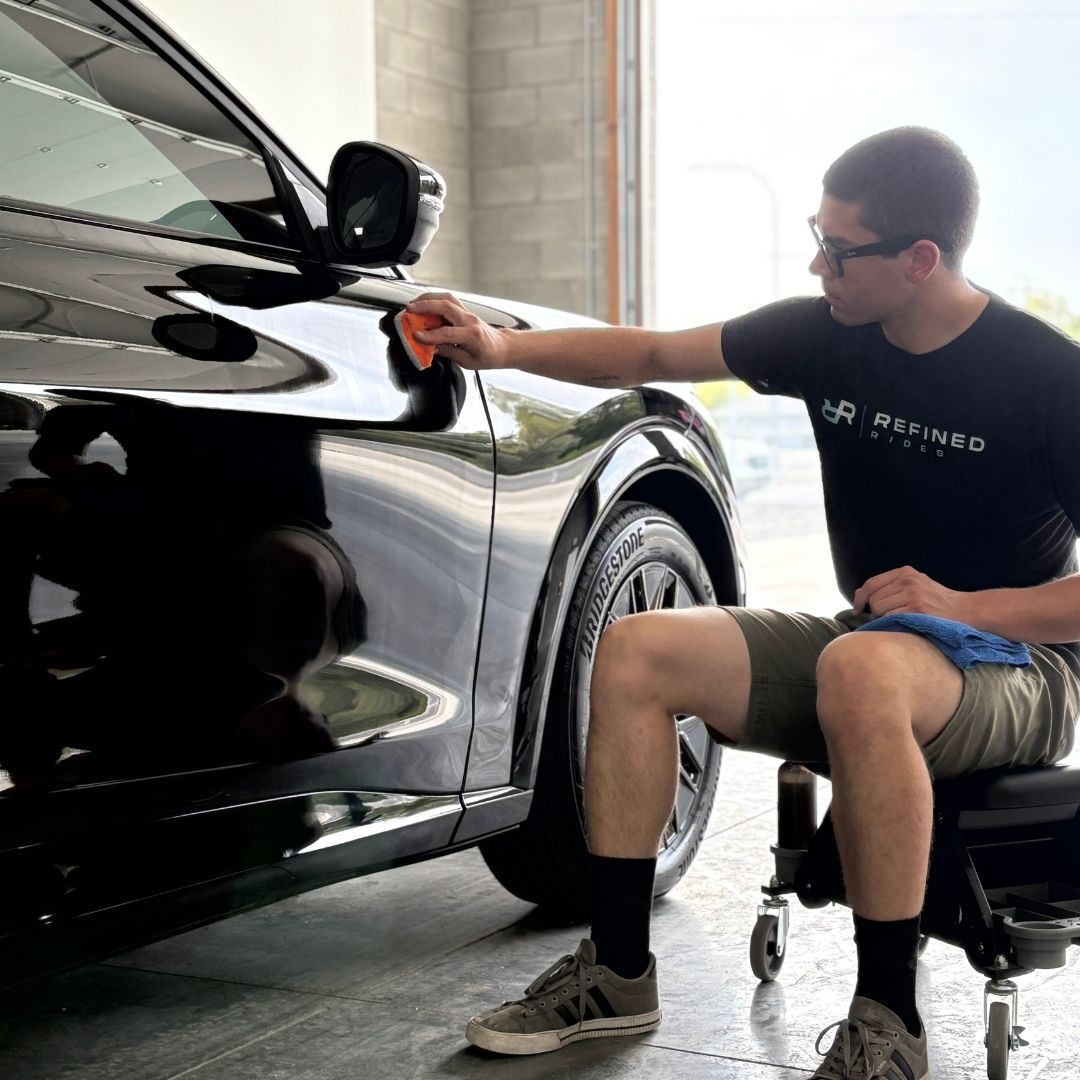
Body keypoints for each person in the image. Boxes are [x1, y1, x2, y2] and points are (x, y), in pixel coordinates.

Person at [406, 127, 1080, 1080]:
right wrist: (500, 345)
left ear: (920, 260)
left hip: (1020, 667)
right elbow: (650, 348)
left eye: (840, 250)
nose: (818, 263)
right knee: (640, 651)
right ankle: (618, 973)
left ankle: (889, 1024)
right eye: (819, 234)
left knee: (861, 665)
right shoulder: (824, 332)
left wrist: (965, 605)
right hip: (879, 646)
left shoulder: (1045, 377)